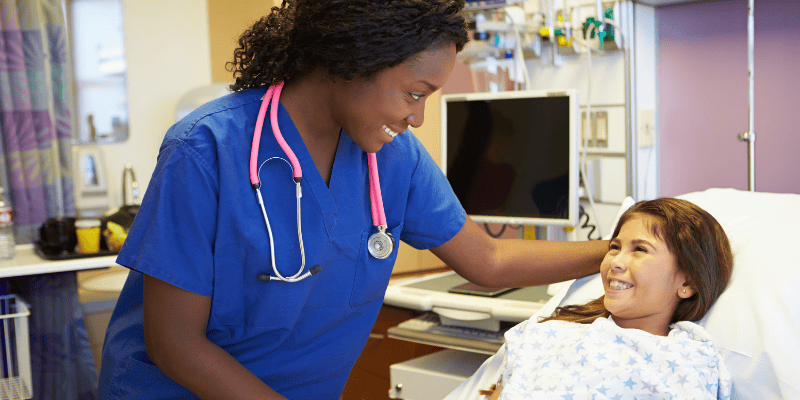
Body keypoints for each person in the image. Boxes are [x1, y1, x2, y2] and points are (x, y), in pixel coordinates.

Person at [96, 1, 609, 399]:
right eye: (415, 93)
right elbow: (175, 344)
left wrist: (618, 246)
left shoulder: (394, 157)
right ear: (352, 60)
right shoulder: (206, 148)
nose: (418, 118)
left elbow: (489, 259)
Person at [447, 198, 733, 400]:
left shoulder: (686, 361)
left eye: (640, 250)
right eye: (614, 247)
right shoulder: (547, 334)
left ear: (688, 282)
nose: (616, 261)